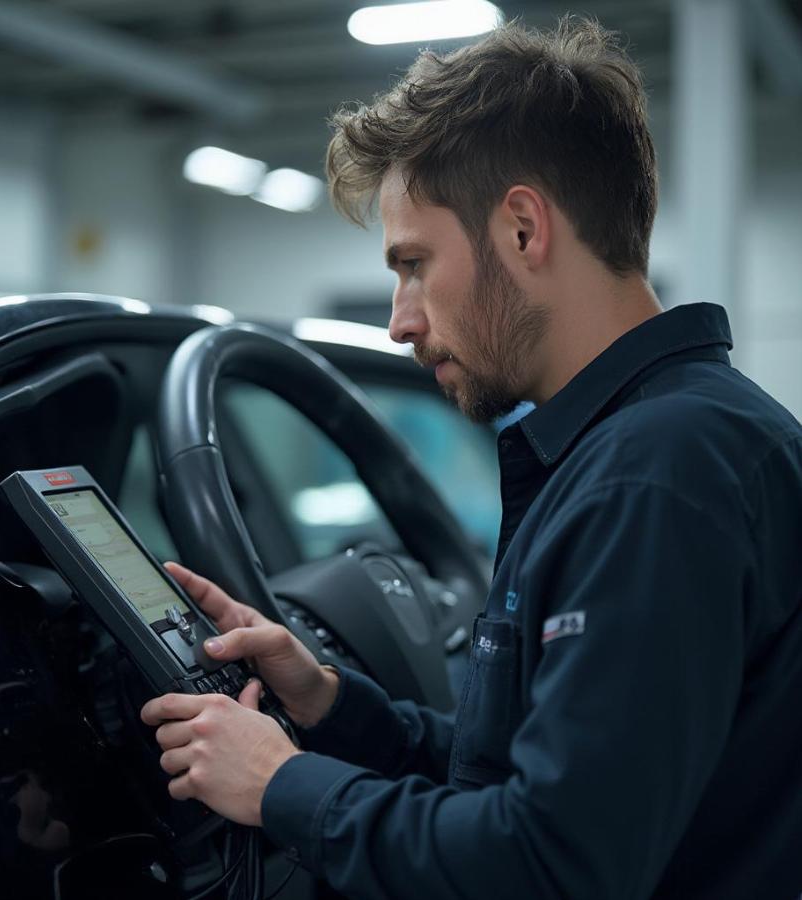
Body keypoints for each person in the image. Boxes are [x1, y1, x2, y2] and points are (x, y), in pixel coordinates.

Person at [141, 17, 802, 899]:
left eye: (414, 263)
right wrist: (333, 706)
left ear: (523, 229)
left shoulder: (656, 476)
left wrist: (280, 785)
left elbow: (548, 865)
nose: (400, 319)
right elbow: (534, 774)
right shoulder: (656, 442)